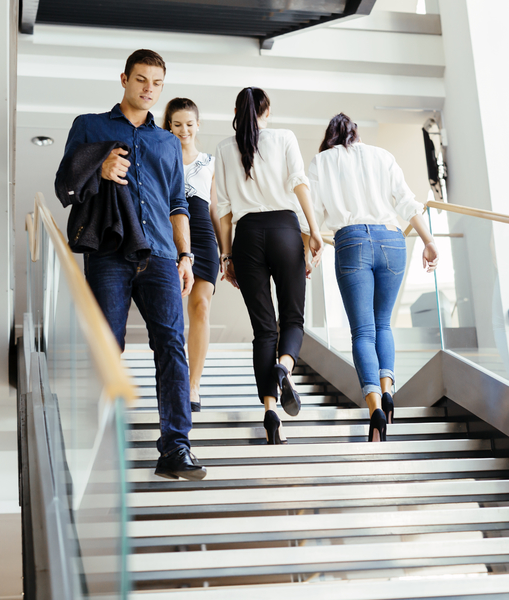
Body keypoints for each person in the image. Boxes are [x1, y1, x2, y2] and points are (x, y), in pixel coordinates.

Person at [54, 50, 206, 480]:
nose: (149, 89)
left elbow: (179, 204)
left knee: (172, 348)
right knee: (107, 347)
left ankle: (176, 448)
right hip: (109, 253)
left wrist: (186, 255)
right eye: (141, 80)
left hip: (160, 255)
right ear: (124, 78)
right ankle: (96, 445)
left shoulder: (167, 142)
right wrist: (98, 167)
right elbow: (65, 182)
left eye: (157, 83)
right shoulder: (90, 126)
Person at [309, 113, 438, 443]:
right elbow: (408, 202)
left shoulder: (322, 161)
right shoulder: (382, 156)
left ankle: (375, 408)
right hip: (394, 240)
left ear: (330, 137)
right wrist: (428, 241)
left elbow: (312, 213)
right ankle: (388, 388)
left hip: (351, 240)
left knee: (363, 332)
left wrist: (310, 244)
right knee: (383, 325)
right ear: (356, 133)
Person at [215, 87, 323, 445]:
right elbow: (299, 183)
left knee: (264, 330)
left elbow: (223, 209)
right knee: (292, 318)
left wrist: (226, 255)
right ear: (268, 110)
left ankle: (270, 411)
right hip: (284, 230)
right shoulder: (283, 137)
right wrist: (314, 232)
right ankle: (286, 367)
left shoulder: (223, 148)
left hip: (246, 235)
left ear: (236, 110)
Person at [163, 98, 220, 412]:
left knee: (200, 307)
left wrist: (226, 252)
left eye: (189, 123)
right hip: (169, 234)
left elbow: (215, 209)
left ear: (198, 125)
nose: (183, 130)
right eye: (177, 124)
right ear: (168, 126)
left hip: (202, 234)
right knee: (171, 313)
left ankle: (193, 385)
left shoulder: (211, 161)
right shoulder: (161, 156)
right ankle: (174, 378)